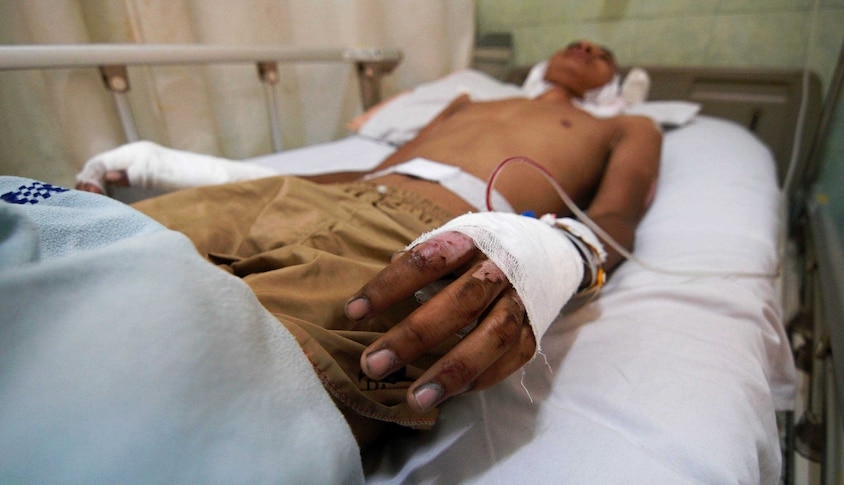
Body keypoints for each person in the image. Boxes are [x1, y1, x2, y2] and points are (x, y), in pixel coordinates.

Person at [76, 40, 662, 448]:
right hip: (327, 197)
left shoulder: (626, 126)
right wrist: (182, 166)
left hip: (428, 238)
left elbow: (614, 219)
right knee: (76, 254)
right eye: (577, 43)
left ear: (614, 85)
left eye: (602, 53)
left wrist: (553, 255)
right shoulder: (472, 101)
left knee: (212, 381)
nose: (586, 48)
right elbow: (373, 171)